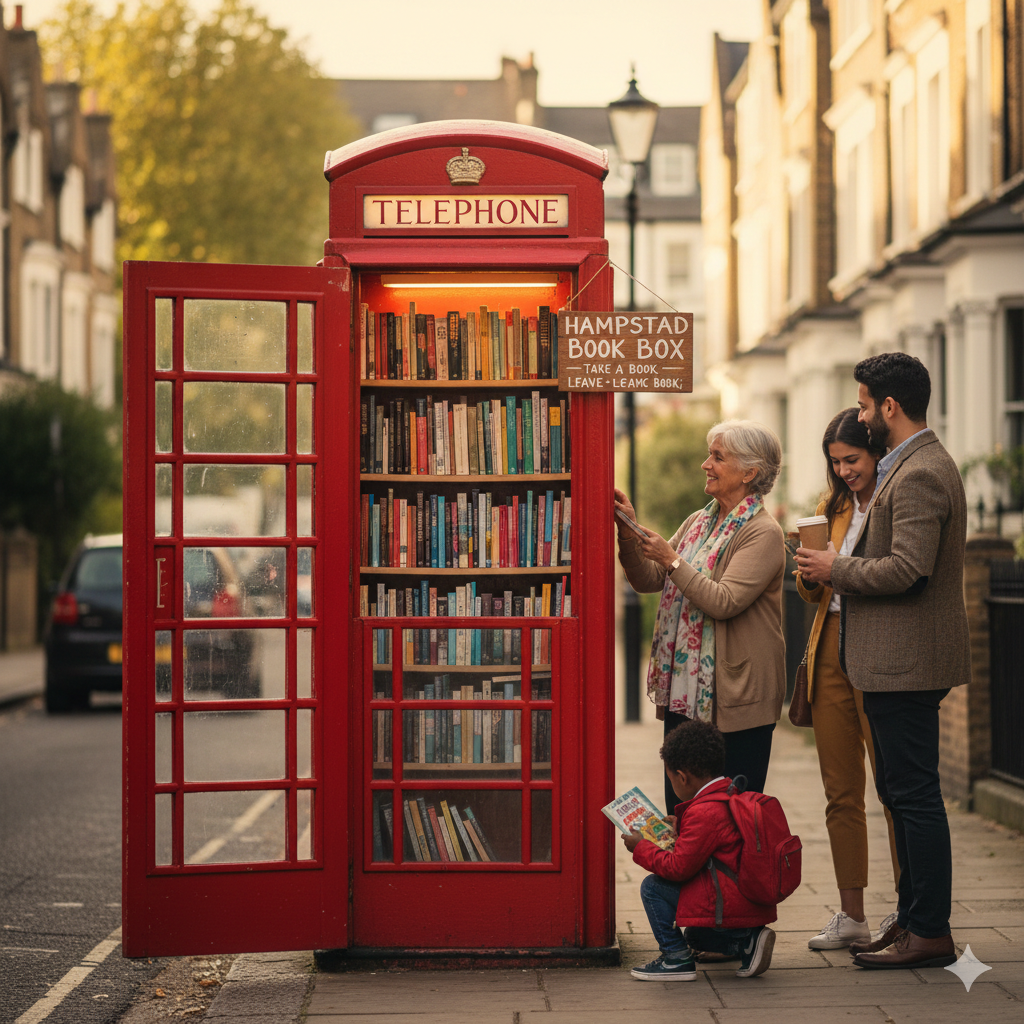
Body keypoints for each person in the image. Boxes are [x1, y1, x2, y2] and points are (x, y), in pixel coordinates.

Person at [796, 353, 968, 970]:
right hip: (892, 662)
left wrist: (834, 567)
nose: (861, 413)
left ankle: (930, 931)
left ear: (889, 407)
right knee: (901, 791)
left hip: (905, 663)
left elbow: (908, 570)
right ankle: (913, 920)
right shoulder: (909, 466)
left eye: (865, 404)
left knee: (914, 798)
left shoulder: (919, 473)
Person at [616, 419, 786, 811]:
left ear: (749, 472)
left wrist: (671, 559)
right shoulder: (699, 521)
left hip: (736, 699)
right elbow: (649, 579)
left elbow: (724, 600)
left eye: (717, 457)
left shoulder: (763, 533)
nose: (706, 465)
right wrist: (628, 532)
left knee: (732, 814)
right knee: (681, 808)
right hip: (684, 691)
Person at [795, 408, 900, 951]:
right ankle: (852, 914)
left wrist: (838, 567)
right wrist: (810, 572)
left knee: (894, 789)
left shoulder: (894, 499)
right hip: (830, 649)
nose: (844, 471)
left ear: (876, 452)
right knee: (841, 792)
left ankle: (910, 910)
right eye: (835, 462)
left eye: (852, 459)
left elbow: (899, 574)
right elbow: (813, 593)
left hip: (879, 649)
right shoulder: (830, 508)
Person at [623, 719, 776, 981]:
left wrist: (641, 847)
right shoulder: (728, 793)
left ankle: (675, 958)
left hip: (730, 902)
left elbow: (678, 869)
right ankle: (746, 941)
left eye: (671, 778)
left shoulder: (704, 812)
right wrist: (680, 829)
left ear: (682, 777)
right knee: (694, 935)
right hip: (745, 900)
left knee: (653, 887)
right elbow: (712, 848)